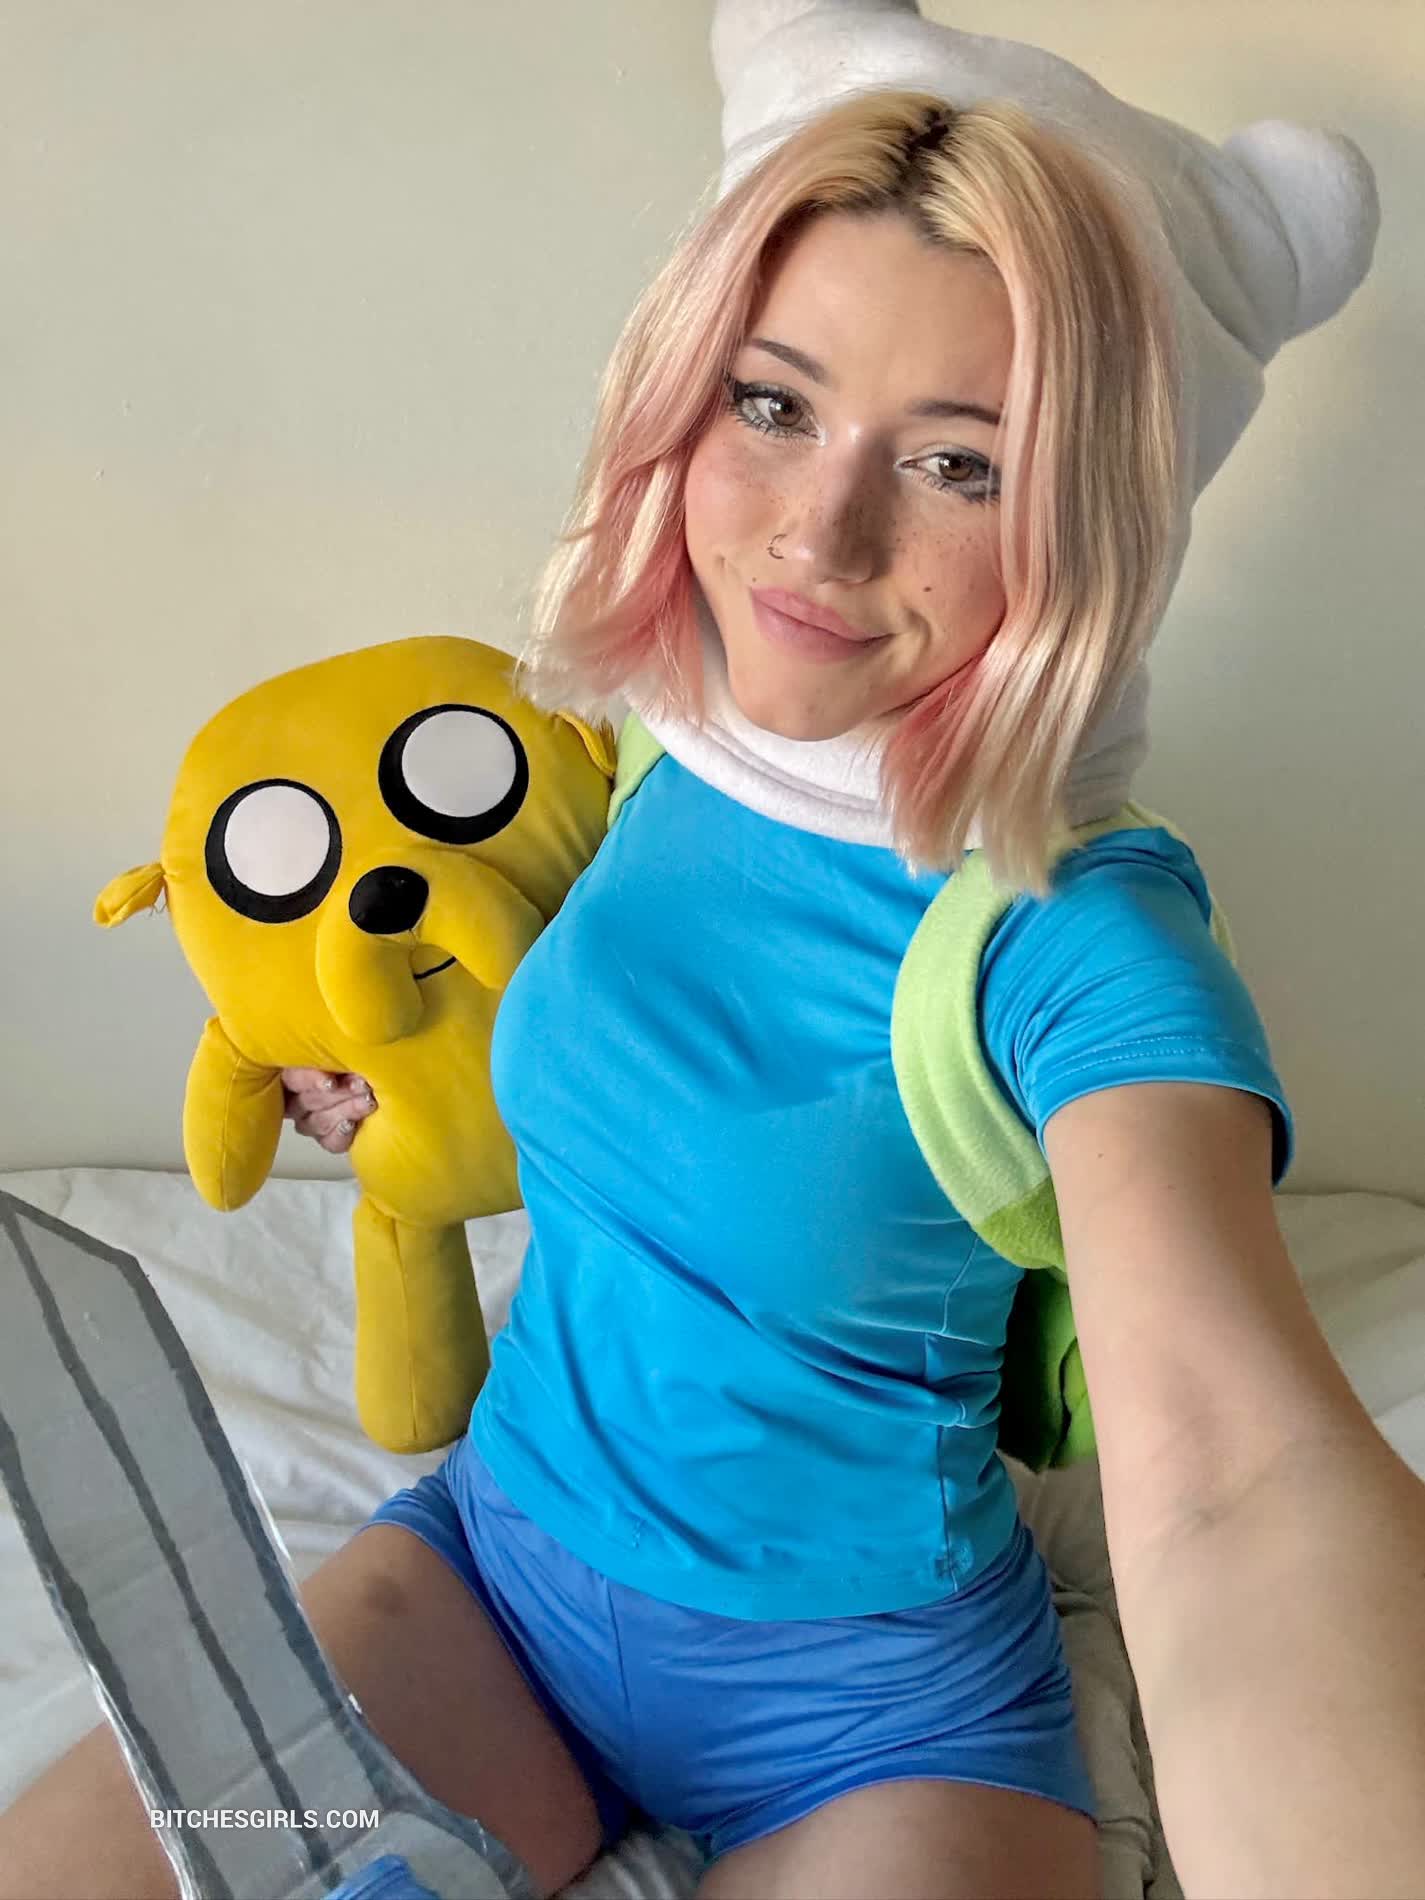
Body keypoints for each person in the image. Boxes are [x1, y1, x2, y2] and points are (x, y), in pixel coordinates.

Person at [5, 76, 1425, 1900]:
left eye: (959, 462)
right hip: (486, 1583)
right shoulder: (659, 746)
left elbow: (1238, 1477)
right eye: (774, 403)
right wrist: (399, 1088)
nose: (815, 537)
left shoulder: (1073, 936)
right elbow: (613, 1042)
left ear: (1092, 517)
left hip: (877, 1722)